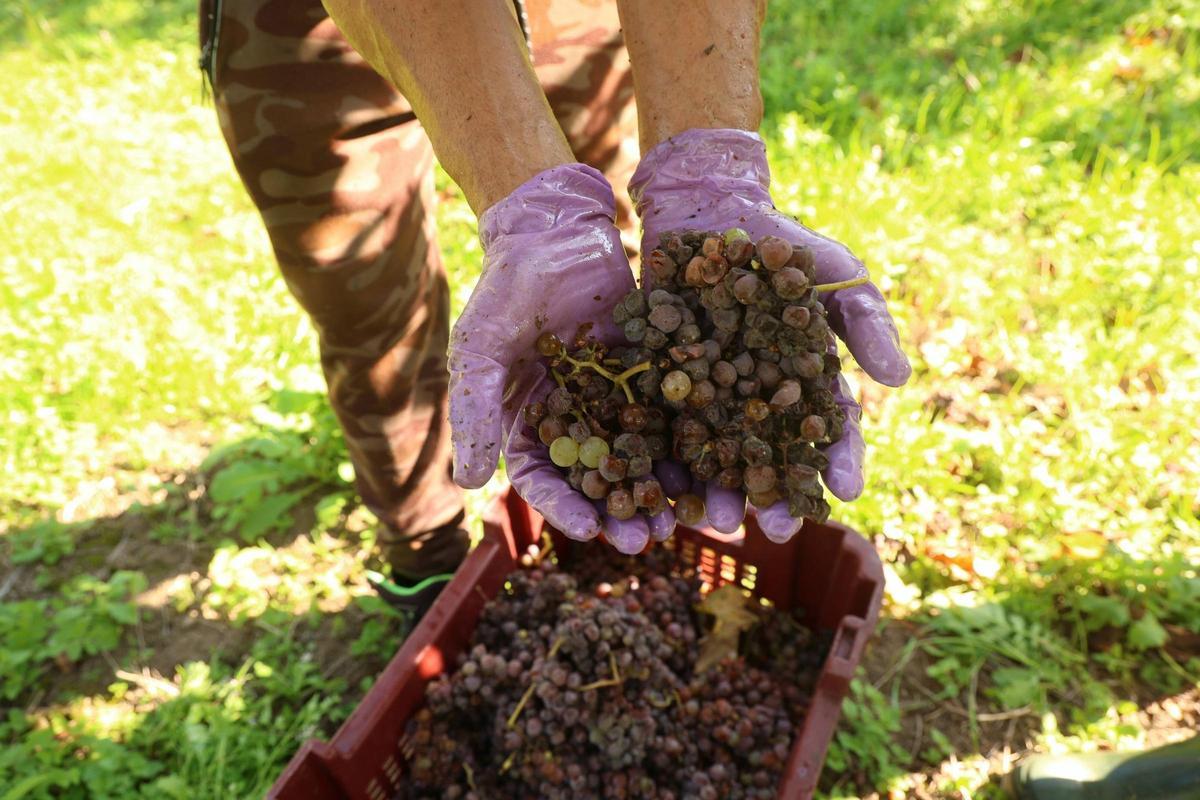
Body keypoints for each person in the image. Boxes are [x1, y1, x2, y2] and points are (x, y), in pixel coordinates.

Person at [198, 0, 909, 619]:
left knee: (607, 233)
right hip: (306, 26)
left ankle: (602, 566)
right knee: (367, 309)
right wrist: (528, 207)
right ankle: (428, 558)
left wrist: (708, 158)